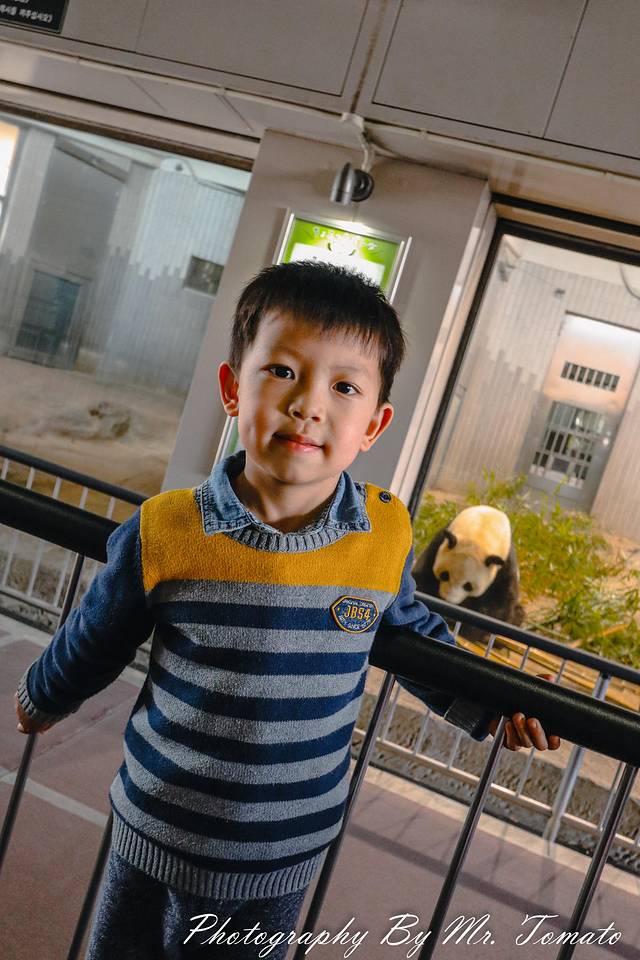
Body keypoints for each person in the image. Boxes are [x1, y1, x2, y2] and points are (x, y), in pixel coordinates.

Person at [14, 261, 560, 959]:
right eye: (281, 372)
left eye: (344, 387)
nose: (308, 404)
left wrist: (493, 703)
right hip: (157, 829)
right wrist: (43, 695)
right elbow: (98, 633)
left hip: (283, 851)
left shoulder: (383, 533)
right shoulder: (168, 529)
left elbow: (411, 634)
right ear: (232, 389)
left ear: (374, 424)